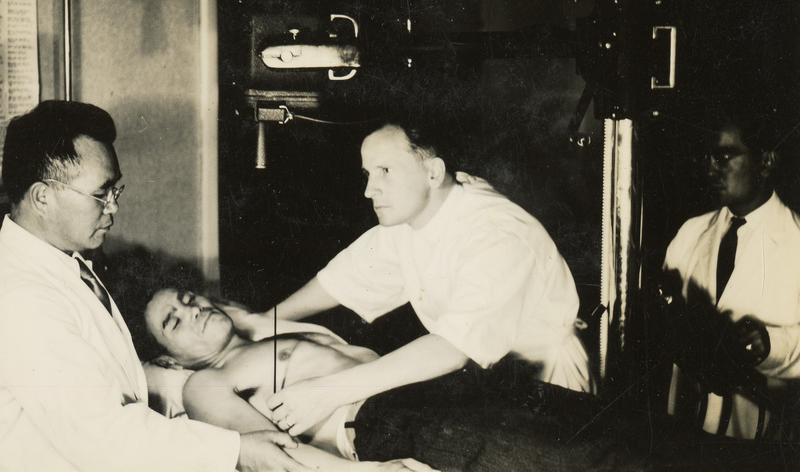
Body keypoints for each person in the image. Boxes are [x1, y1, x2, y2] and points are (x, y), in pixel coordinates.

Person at [143, 286, 793, 472]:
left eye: (188, 300)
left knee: (627, 426)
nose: (191, 313)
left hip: (443, 391)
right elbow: (279, 457)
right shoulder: (206, 386)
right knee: (589, 461)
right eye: (173, 321)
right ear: (170, 359)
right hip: (395, 423)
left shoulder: (263, 329)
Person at [0, 100, 315, 472]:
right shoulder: (21, 297)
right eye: (101, 194)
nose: (113, 207)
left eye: (116, 191)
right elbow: (103, 438)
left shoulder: (64, 264)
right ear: (42, 198)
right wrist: (234, 450)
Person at [261, 121, 593, 437]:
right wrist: (265, 321)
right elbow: (342, 279)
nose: (368, 190)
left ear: (433, 172)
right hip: (487, 384)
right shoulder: (417, 217)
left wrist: (326, 393)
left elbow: (451, 348)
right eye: (367, 173)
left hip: (548, 388)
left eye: (385, 171)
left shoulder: (497, 236)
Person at [662, 109, 800, 439]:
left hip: (760, 442)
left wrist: (770, 345)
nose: (709, 168)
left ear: (765, 162)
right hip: (684, 434)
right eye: (705, 156)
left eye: (724, 156)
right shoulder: (690, 233)